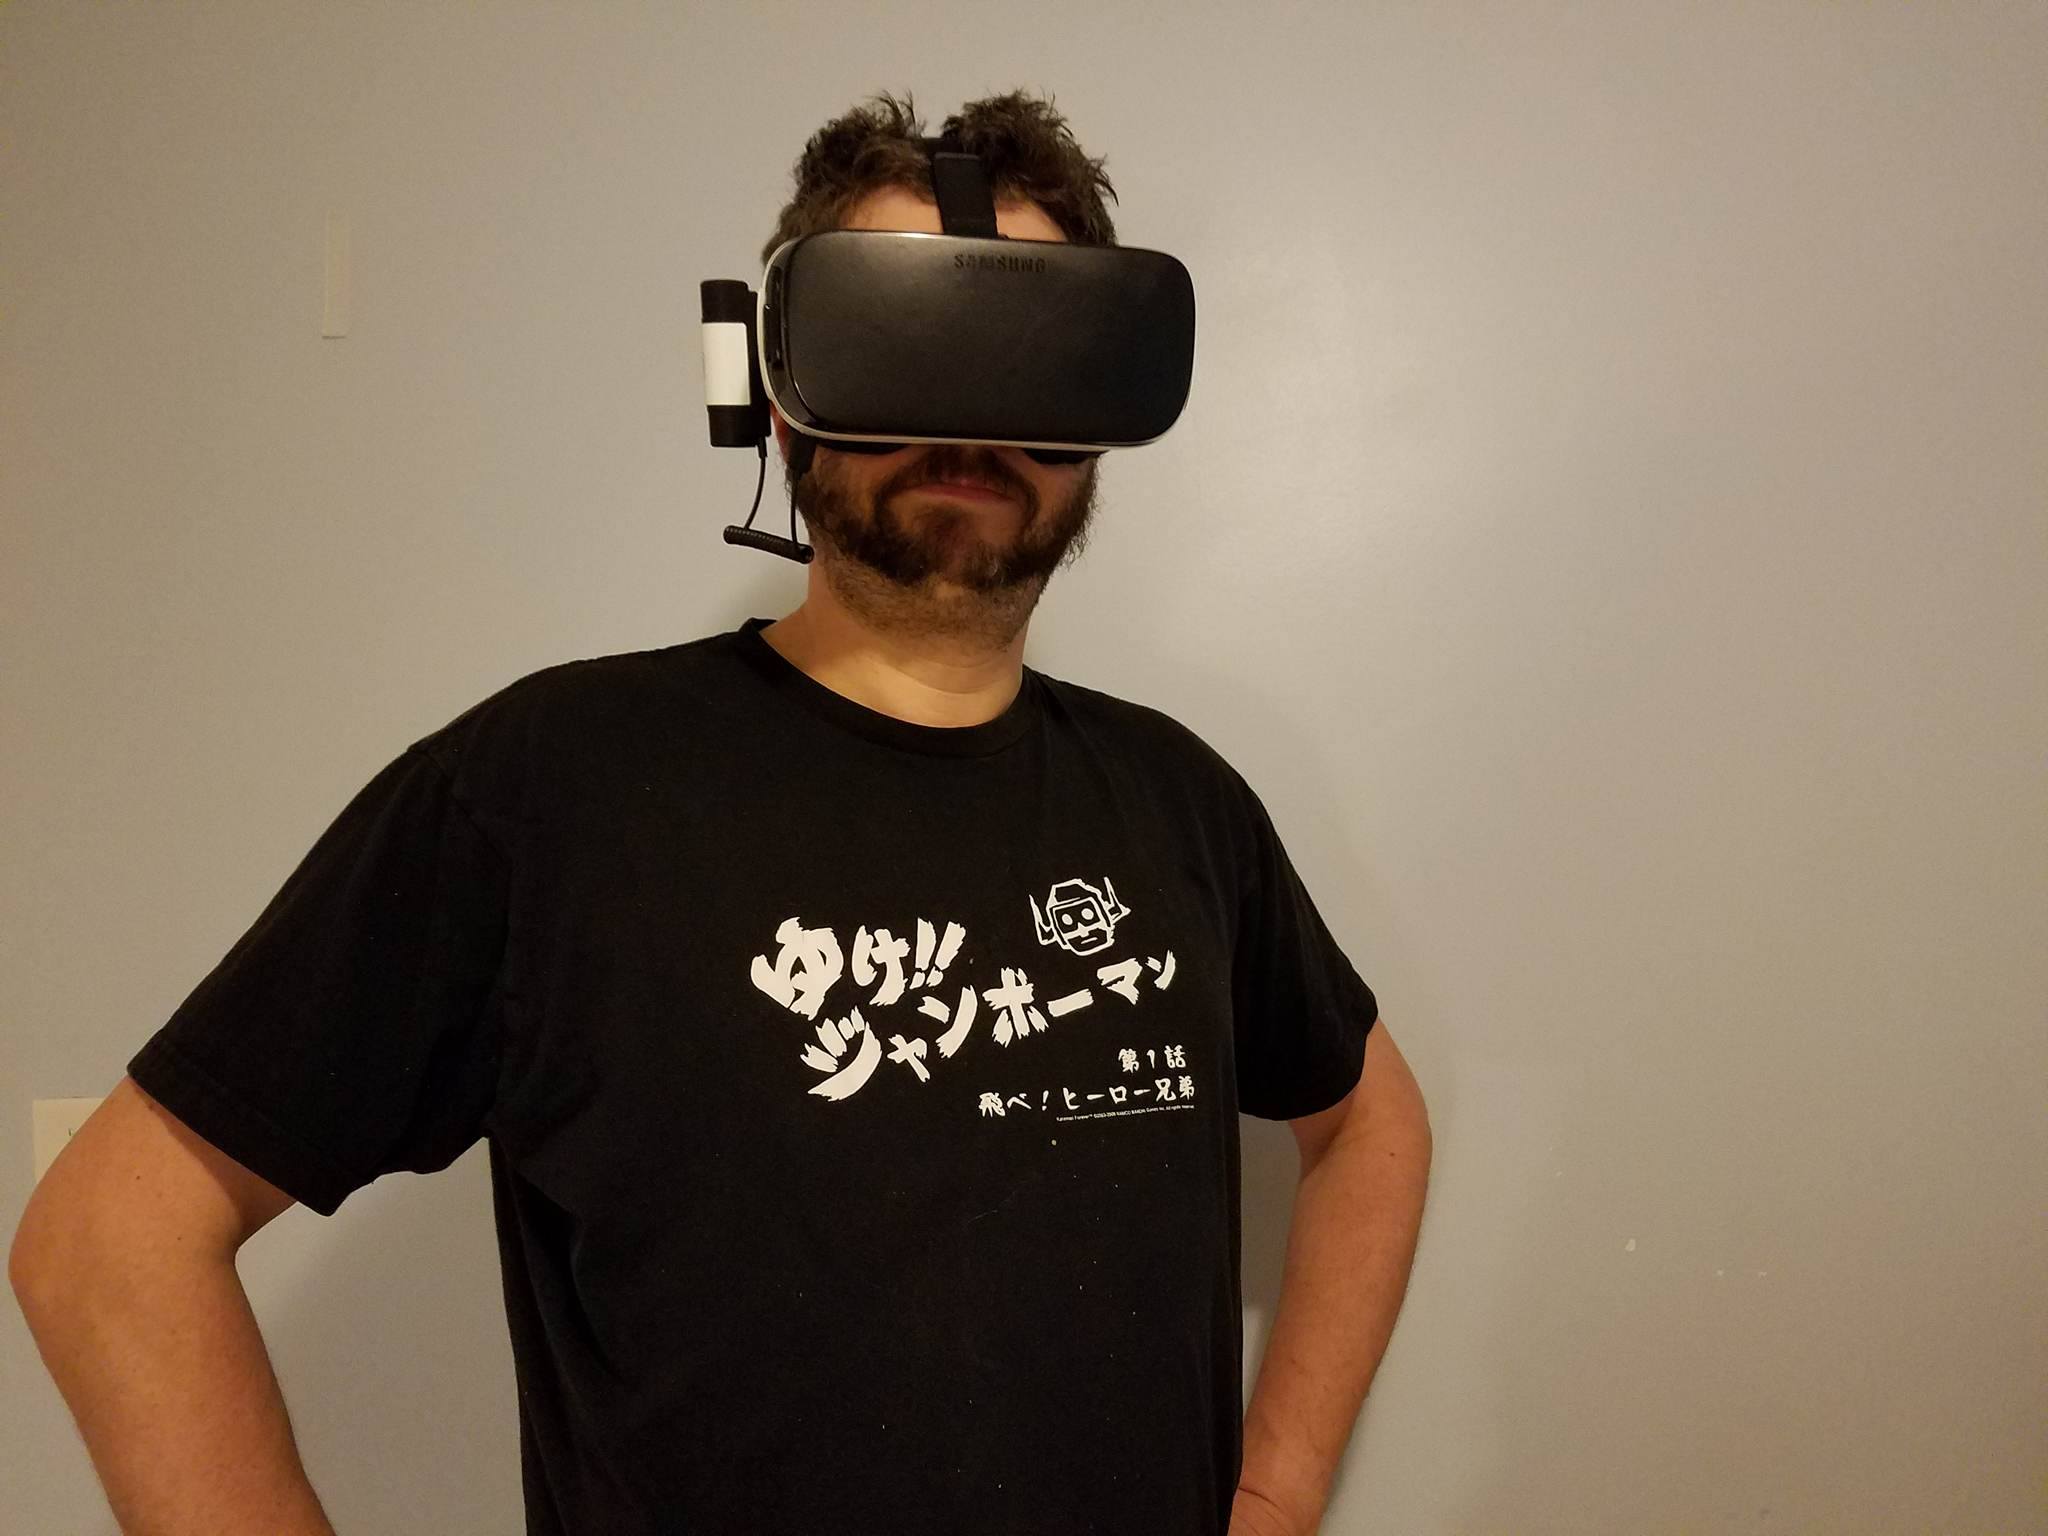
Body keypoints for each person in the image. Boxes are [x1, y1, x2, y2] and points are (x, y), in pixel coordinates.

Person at [11, 88, 1432, 1536]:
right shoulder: (550, 790)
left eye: (1028, 358)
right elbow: (108, 1242)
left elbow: (1371, 1123)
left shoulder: (1182, 805)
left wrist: (1278, 1491)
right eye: (901, 345)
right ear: (776, 394)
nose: (966, 425)